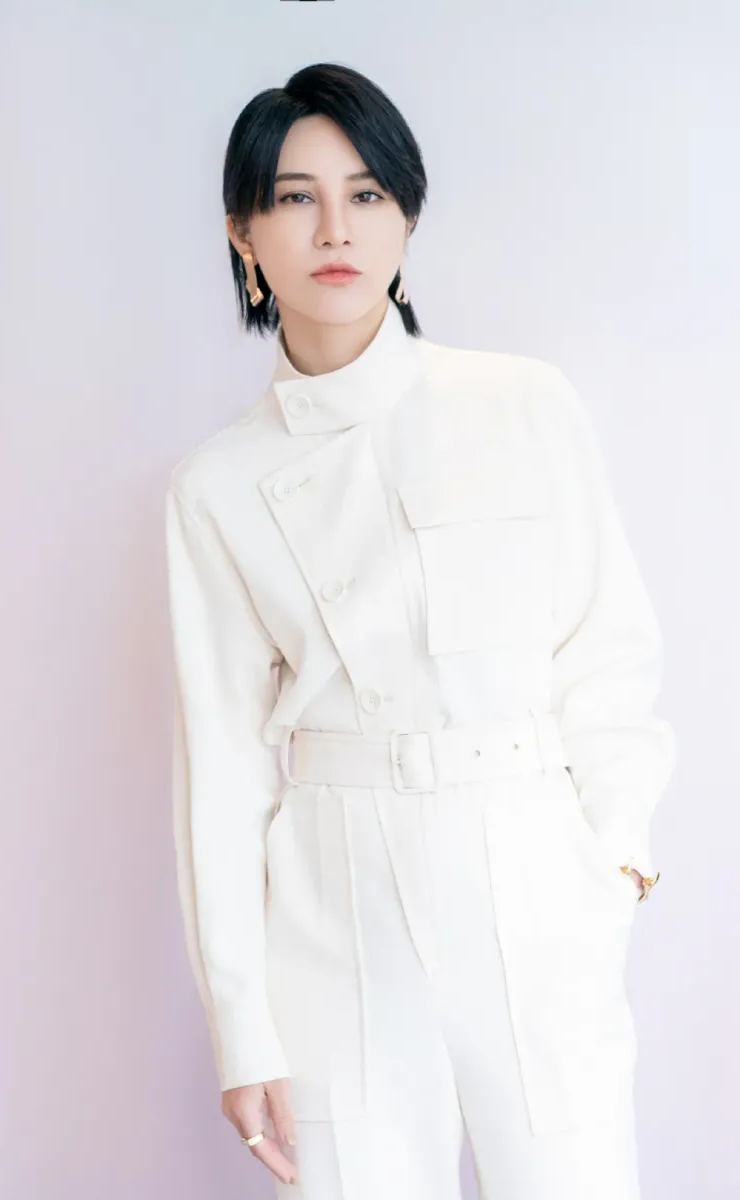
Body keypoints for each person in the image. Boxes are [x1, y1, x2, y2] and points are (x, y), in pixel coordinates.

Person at [164, 61, 677, 1200]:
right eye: (294, 198)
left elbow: (606, 653)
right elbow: (222, 770)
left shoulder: (521, 402)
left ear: (407, 218)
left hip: (532, 877)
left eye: (367, 194)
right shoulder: (217, 485)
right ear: (244, 234)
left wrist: (616, 866)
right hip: (333, 905)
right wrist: (242, 1028)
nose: (334, 229)